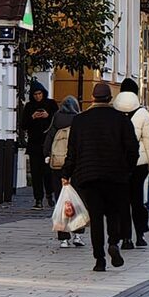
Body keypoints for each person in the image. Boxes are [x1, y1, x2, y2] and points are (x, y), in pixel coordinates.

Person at [61, 81, 137, 271]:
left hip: (89, 176)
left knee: (95, 218)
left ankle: (99, 259)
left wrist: (66, 173)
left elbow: (72, 151)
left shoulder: (80, 120)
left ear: (92, 98)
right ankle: (113, 242)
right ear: (110, 99)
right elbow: (132, 149)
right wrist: (127, 170)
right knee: (113, 213)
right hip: (115, 176)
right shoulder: (121, 119)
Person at [114, 77, 149, 249]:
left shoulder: (114, 112)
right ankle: (140, 234)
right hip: (139, 164)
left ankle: (125, 238)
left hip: (119, 164)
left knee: (121, 200)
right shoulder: (143, 113)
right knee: (138, 200)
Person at [48, 96, 83, 247]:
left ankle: (63, 238)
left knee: (61, 199)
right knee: (77, 200)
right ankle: (77, 235)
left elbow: (49, 138)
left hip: (58, 165)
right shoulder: (79, 119)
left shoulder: (56, 119)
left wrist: (47, 156)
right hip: (75, 166)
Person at [19, 80, 58, 209]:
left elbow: (57, 120)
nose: (38, 96)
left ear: (43, 93)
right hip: (34, 144)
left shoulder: (51, 104)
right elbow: (23, 125)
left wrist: (48, 116)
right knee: (36, 173)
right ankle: (38, 199)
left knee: (48, 172)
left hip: (48, 144)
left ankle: (49, 194)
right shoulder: (29, 106)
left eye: (39, 94)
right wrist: (32, 117)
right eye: (35, 94)